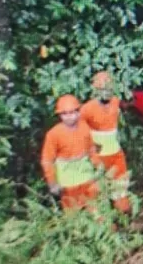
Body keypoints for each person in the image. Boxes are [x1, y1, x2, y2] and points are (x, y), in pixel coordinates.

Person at [80, 72, 132, 214]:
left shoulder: (115, 101)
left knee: (120, 186)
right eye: (103, 89)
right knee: (96, 190)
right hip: (98, 157)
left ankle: (123, 215)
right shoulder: (87, 109)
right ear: (96, 91)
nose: (107, 92)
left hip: (116, 154)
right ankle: (100, 220)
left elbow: (126, 105)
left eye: (109, 89)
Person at [40, 95, 101, 211]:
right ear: (60, 115)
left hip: (86, 176)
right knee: (72, 213)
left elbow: (91, 149)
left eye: (72, 112)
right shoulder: (53, 134)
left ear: (78, 112)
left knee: (96, 208)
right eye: (65, 114)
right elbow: (47, 160)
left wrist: (98, 165)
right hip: (67, 181)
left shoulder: (85, 127)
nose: (69, 117)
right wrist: (52, 183)